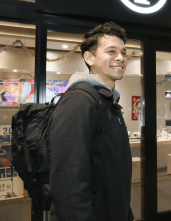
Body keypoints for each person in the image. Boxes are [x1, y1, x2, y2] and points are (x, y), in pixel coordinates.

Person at [50, 22, 134, 221]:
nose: (121, 58)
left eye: (123, 52)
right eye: (111, 51)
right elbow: (68, 183)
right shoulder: (79, 101)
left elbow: (113, 173)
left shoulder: (108, 102)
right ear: (89, 58)